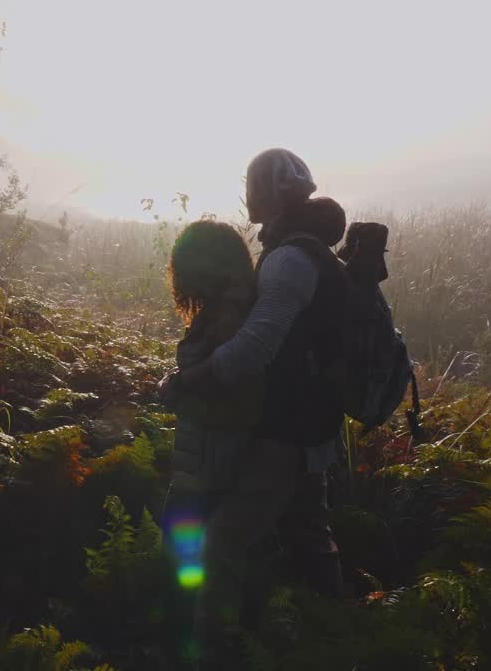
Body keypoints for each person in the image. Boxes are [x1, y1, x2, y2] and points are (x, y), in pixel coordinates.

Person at [166, 148, 350, 667]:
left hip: (288, 431)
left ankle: (210, 654)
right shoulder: (311, 252)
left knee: (223, 545)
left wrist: (191, 381)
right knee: (309, 537)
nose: (248, 195)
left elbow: (256, 348)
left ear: (270, 195)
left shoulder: (290, 259)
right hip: (312, 425)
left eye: (253, 185)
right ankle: (339, 638)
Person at [159, 219, 264, 665]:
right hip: (210, 446)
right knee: (192, 540)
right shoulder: (235, 305)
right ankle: (197, 635)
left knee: (184, 540)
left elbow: (230, 382)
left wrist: (181, 388)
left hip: (210, 450)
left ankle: (186, 638)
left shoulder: (227, 314)